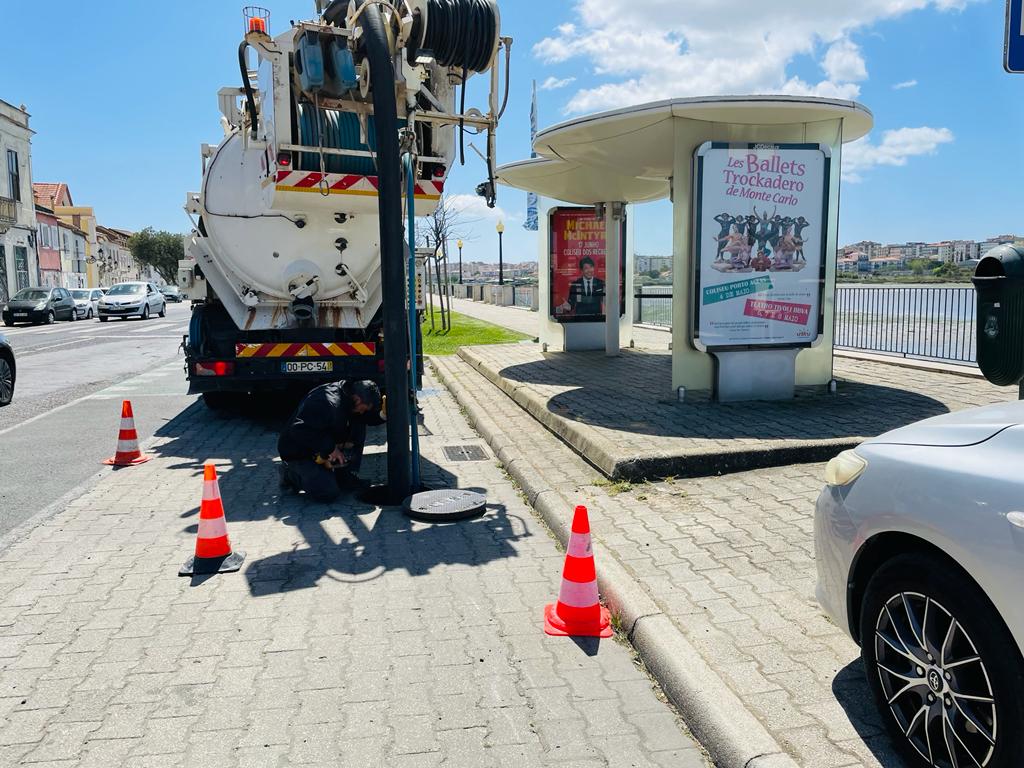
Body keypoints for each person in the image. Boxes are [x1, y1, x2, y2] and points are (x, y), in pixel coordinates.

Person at [278, 380, 383, 502]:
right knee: (327, 492)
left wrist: (382, 415)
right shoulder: (327, 403)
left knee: (359, 424)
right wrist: (330, 448)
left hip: (320, 443)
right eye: (364, 408)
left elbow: (363, 416)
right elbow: (299, 430)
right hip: (298, 452)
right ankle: (289, 474)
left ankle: (344, 476)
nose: (363, 412)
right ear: (358, 399)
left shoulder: (349, 397)